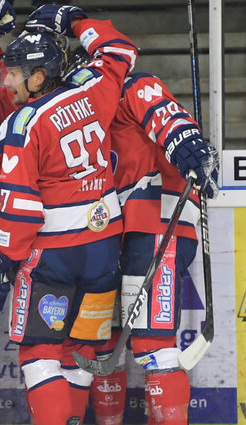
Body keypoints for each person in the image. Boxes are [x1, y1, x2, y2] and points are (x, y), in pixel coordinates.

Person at [0, 5, 138, 424]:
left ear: (38, 76)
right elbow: (121, 50)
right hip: (103, 254)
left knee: (39, 354)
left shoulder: (20, 125)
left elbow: (22, 211)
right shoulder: (94, 92)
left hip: (53, 259)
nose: (5, 81)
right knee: (80, 350)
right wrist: (77, 19)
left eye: (12, 72)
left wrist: (3, 257)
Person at [57, 46, 218, 424]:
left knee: (152, 346)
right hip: (112, 235)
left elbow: (167, 117)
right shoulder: (77, 113)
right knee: (101, 340)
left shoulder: (136, 87)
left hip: (158, 228)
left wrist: (189, 144)